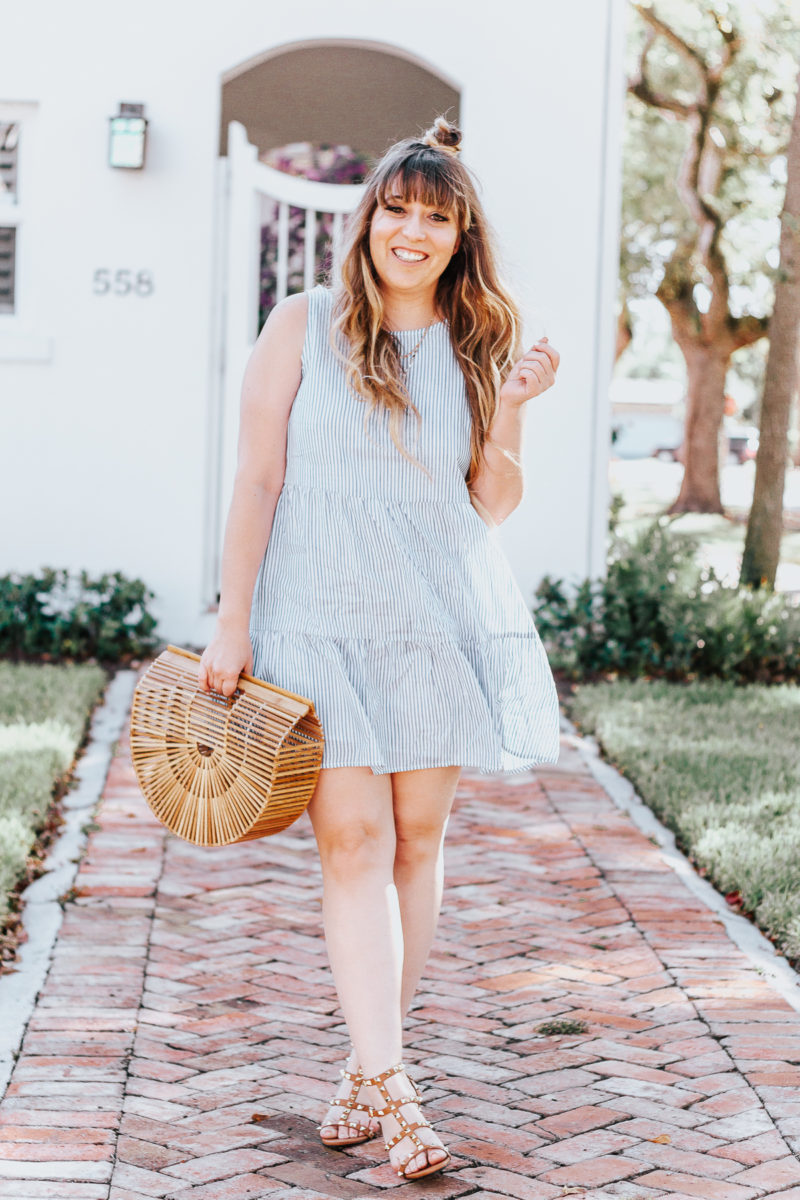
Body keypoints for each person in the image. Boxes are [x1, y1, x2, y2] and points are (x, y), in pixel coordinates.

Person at [199, 116, 561, 1182]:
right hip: (311, 620)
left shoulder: (481, 339)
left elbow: (485, 504)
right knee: (349, 843)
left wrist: (511, 414)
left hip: (428, 624)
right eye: (395, 210)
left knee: (413, 842)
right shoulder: (299, 325)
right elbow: (258, 480)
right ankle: (397, 1092)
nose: (412, 230)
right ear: (367, 222)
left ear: (459, 237)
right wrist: (233, 620)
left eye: (435, 217)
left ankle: (367, 1066)